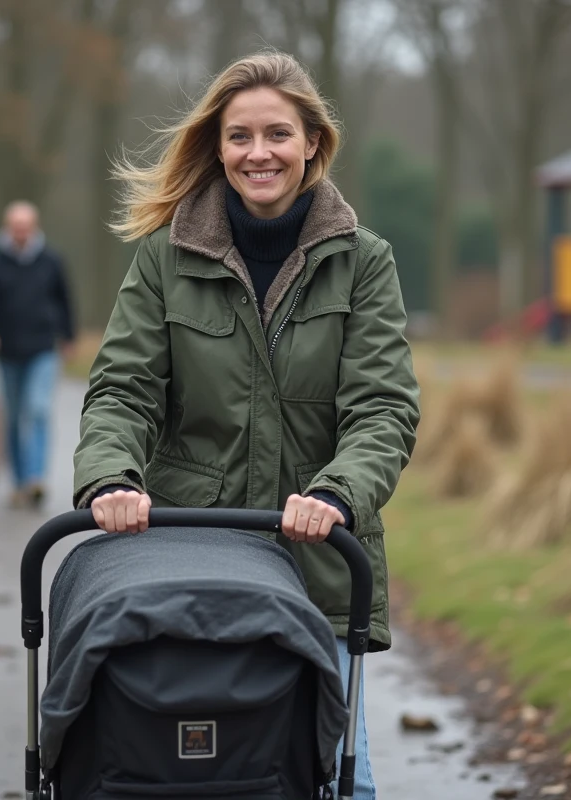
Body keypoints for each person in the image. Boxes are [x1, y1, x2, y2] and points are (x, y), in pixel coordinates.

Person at [72, 52, 420, 798]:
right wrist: (109, 476)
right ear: (218, 148)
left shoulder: (364, 264)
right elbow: (123, 390)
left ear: (313, 145)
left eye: (277, 134)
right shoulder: (165, 259)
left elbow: (382, 408)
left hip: (316, 565)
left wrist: (336, 495)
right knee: (187, 770)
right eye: (239, 137)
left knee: (334, 774)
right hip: (189, 561)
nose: (258, 153)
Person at [0, 200, 76, 510]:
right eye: (16, 228)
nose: (21, 234)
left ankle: (35, 479)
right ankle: (18, 481)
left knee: (38, 409)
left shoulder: (51, 260)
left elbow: (64, 299)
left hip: (43, 348)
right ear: (7, 227)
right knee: (14, 417)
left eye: (26, 228)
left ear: (35, 227)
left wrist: (68, 336)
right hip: (8, 351)